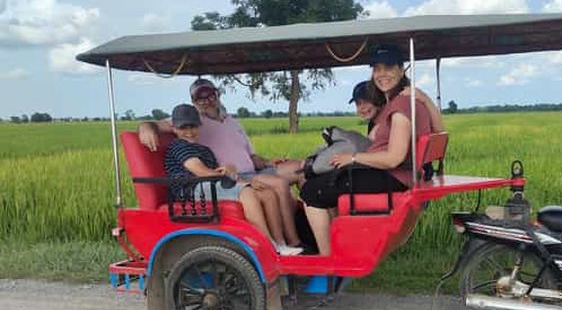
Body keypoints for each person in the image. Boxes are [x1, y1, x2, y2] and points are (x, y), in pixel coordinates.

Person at [300, 45, 436, 256]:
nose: (382, 74)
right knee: (329, 182)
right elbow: (440, 130)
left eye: (389, 67)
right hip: (400, 174)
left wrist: (353, 157)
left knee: (311, 191)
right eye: (377, 69)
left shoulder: (401, 107)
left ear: (402, 69)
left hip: (394, 177)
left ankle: (327, 259)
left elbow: (393, 158)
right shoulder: (406, 101)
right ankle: (341, 246)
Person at [139, 78, 304, 251]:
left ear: (217, 95)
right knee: (272, 185)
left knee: (300, 169)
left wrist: (266, 162)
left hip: (234, 175)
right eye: (200, 98)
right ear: (194, 102)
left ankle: (282, 244)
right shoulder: (186, 127)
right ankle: (277, 243)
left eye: (210, 95)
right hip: (207, 184)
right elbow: (201, 171)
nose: (206, 101)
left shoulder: (227, 124)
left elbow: (249, 155)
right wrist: (146, 127)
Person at [164, 104, 303, 256]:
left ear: (199, 126)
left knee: (267, 193)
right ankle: (267, 244)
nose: (189, 132)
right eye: (184, 128)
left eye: (193, 127)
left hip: (208, 185)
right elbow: (201, 172)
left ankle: (281, 243)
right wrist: (242, 182)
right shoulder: (179, 146)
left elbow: (219, 174)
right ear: (174, 128)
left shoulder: (205, 150)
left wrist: (236, 175)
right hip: (190, 189)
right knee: (247, 192)